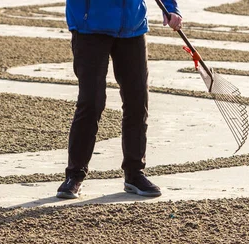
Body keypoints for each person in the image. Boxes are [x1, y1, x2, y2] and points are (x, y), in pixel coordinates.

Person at [57, 0, 182, 199]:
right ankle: (74, 175)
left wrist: (171, 8)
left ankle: (134, 174)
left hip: (132, 26)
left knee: (137, 101)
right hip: (89, 27)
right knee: (91, 103)